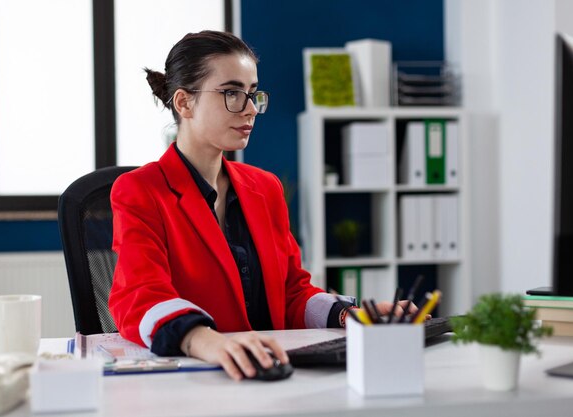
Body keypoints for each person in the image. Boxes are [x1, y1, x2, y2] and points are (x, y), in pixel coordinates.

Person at [108, 30, 417, 381]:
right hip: (200, 378)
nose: (251, 109)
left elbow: (292, 292)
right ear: (184, 103)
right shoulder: (139, 190)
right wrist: (203, 339)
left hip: (276, 372)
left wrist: (350, 315)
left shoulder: (265, 187)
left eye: (253, 94)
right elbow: (138, 296)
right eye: (232, 93)